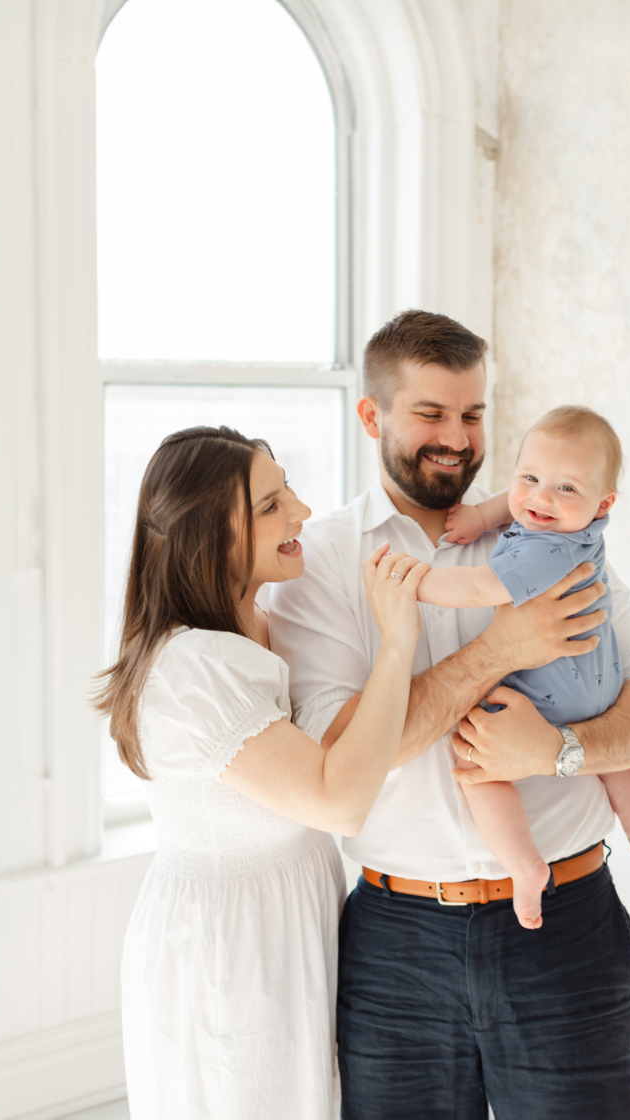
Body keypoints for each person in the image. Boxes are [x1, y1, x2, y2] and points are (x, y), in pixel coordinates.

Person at [268, 310, 630, 1120]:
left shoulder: (545, 530)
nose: (456, 438)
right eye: (430, 414)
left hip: (567, 925)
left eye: (472, 414)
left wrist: (561, 749)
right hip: (396, 946)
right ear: (372, 416)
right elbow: (343, 753)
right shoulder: (321, 560)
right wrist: (503, 648)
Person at [94, 425, 429, 1120]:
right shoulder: (192, 668)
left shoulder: (262, 619)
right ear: (212, 535)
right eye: (273, 503)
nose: (301, 511)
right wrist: (398, 643)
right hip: (230, 953)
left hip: (288, 927)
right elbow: (340, 802)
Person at [415, 404, 630, 930]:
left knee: (473, 763)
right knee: (616, 757)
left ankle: (524, 867)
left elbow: (481, 586)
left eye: (566, 488)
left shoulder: (545, 554)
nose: (541, 498)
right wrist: (484, 516)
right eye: (528, 477)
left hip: (548, 692)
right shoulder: (581, 532)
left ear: (604, 501)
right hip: (603, 689)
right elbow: (518, 509)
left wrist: (413, 582)